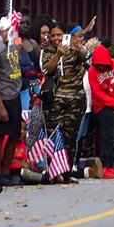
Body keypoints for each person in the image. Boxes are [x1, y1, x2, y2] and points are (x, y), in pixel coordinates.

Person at [40, 24, 86, 181]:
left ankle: (66, 172)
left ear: (65, 35)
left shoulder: (74, 48)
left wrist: (78, 47)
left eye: (59, 35)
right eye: (53, 35)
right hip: (55, 100)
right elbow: (47, 69)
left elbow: (84, 57)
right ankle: (53, 172)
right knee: (54, 135)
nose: (56, 38)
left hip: (75, 98)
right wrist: (58, 54)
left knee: (70, 136)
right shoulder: (47, 51)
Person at [89, 44, 114, 179]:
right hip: (103, 107)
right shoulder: (92, 71)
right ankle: (104, 165)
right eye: (98, 65)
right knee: (108, 136)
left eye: (103, 64)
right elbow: (98, 93)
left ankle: (113, 165)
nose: (101, 67)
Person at [0, 18, 20, 191]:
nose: (7, 32)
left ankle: (5, 171)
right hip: (2, 97)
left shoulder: (14, 45)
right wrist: (0, 106)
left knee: (15, 135)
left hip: (15, 95)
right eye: (4, 29)